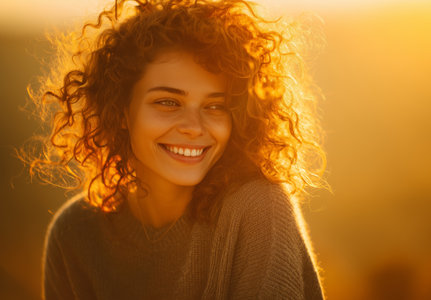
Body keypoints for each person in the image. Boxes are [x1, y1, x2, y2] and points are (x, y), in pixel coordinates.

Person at [25, 0, 327, 298]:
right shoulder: (74, 233)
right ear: (121, 112)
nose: (194, 127)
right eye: (168, 102)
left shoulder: (258, 210)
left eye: (214, 106)